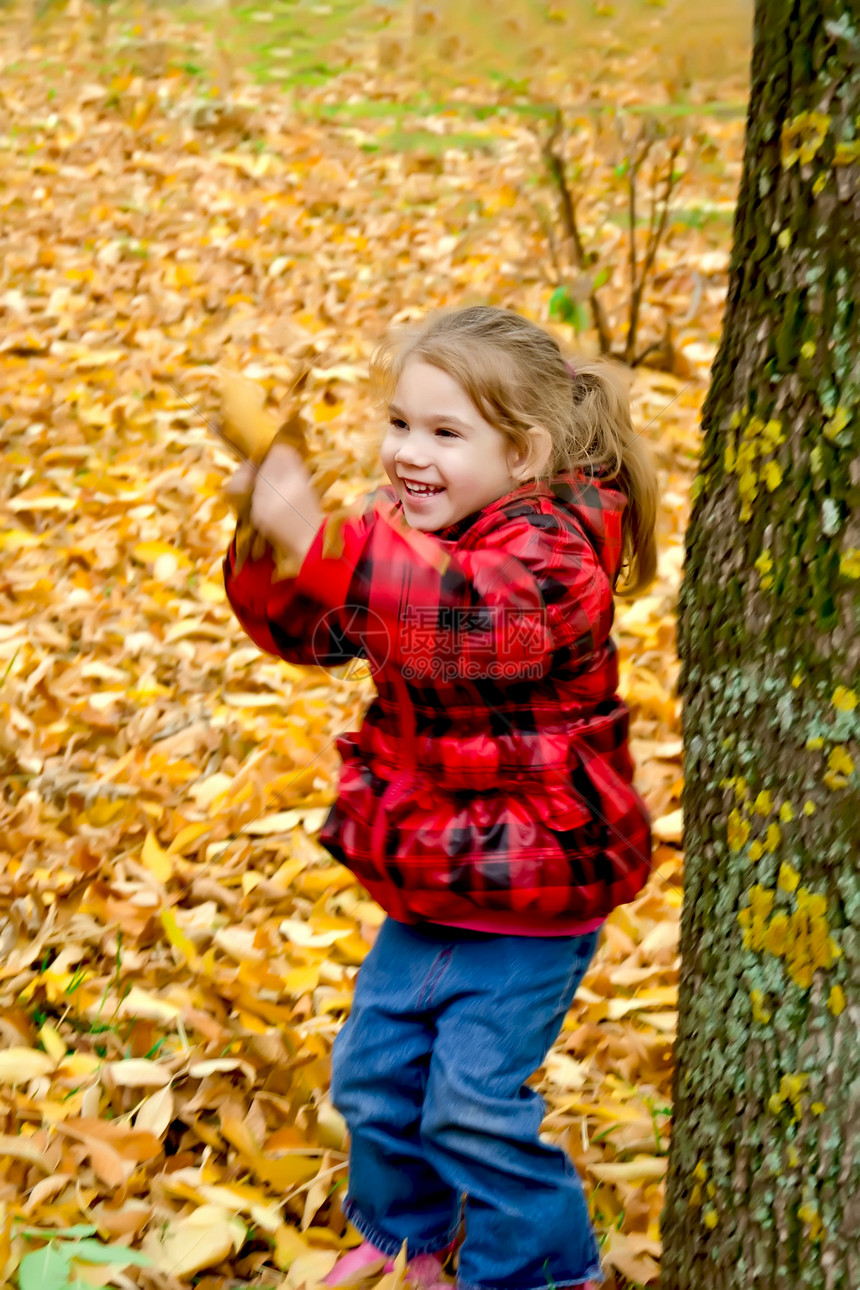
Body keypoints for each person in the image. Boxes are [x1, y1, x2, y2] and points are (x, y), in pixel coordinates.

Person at [223, 306, 658, 1290]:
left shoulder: (554, 557)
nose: (408, 454)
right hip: (432, 875)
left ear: (525, 452)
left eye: (445, 433)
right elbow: (321, 631)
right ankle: (412, 1238)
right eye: (399, 424)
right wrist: (272, 548)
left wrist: (320, 539)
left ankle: (539, 1271)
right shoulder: (407, 543)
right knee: (372, 1081)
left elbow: (461, 622)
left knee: (471, 1101)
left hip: (531, 888)